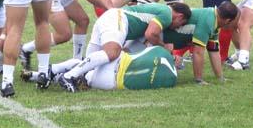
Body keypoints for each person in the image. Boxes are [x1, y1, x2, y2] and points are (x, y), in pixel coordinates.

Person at [57, 2, 191, 92]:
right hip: (118, 19)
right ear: (179, 16)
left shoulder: (155, 12)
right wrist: (164, 47)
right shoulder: (167, 14)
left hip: (111, 18)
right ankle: (69, 76)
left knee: (88, 64)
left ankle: (49, 73)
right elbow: (151, 34)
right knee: (111, 53)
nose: (177, 27)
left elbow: (134, 47)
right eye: (180, 24)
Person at [22, 45, 178, 91]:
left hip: (116, 66)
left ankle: (53, 72)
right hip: (111, 84)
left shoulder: (160, 51)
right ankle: (41, 75)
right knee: (86, 71)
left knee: (95, 59)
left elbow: (133, 50)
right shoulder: (171, 79)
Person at [163, 2, 240, 84]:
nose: (237, 25)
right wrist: (199, 80)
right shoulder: (208, 21)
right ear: (228, 21)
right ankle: (198, 79)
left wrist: (220, 77)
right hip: (157, 37)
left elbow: (214, 51)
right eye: (236, 21)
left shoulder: (213, 18)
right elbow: (198, 52)